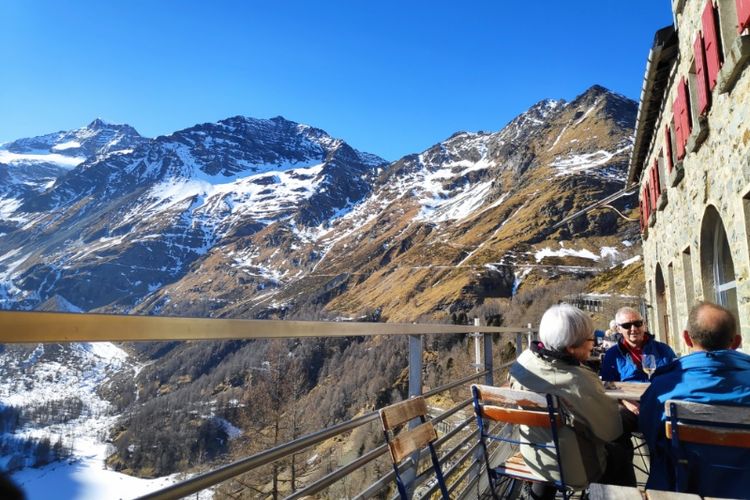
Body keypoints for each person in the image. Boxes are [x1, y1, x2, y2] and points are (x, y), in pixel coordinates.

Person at [509, 304, 635, 498]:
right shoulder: (578, 380)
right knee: (620, 452)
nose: (593, 344)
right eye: (590, 339)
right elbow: (611, 430)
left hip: (535, 456)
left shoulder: (523, 362)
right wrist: (628, 412)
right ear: (570, 348)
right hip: (573, 470)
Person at [639, 302, 750, 497]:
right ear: (737, 342)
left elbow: (649, 435)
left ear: (686, 339)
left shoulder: (663, 386)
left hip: (682, 489)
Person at [600, 307, 676, 382]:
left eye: (637, 323)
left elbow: (678, 376)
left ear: (644, 325)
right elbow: (608, 387)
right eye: (627, 325)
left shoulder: (663, 350)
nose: (633, 329)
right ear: (618, 329)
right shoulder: (613, 355)